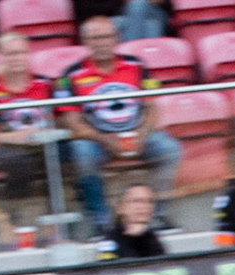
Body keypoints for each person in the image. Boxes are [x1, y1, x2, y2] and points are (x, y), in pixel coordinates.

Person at [55, 16, 181, 236]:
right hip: (97, 139)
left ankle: (159, 215)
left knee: (170, 149)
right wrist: (105, 139)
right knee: (81, 152)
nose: (101, 42)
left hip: (138, 133)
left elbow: (153, 107)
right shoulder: (70, 75)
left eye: (106, 36)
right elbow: (71, 122)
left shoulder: (137, 65)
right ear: (85, 41)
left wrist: (142, 134)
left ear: (116, 38)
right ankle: (101, 220)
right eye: (95, 38)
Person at [0, 33, 54, 207]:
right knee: (15, 160)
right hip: (8, 149)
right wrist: (12, 138)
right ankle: (18, 213)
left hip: (46, 144)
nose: (16, 58)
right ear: (1, 57)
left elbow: (63, 119)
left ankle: (57, 220)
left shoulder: (46, 84)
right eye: (10, 54)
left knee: (72, 152)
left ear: (28, 55)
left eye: (21, 52)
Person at [95, 181, 164, 258]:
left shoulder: (152, 238)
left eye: (149, 201)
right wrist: (133, 238)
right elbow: (108, 268)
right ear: (121, 208)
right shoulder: (109, 242)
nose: (145, 206)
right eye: (137, 201)